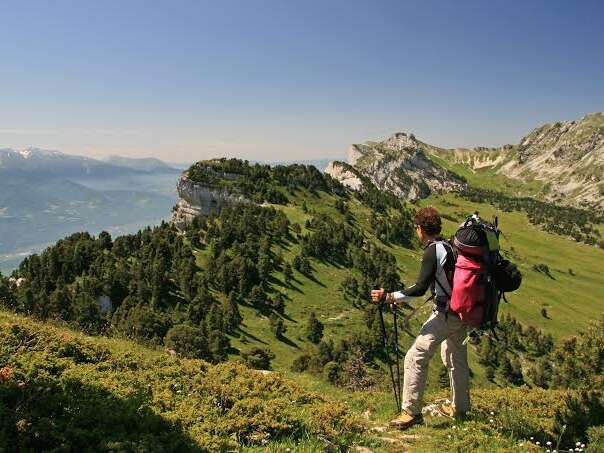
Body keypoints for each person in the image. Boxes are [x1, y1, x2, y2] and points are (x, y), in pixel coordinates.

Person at [371, 206, 470, 430]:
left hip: (447, 314)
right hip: (463, 311)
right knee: (456, 360)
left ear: (419, 228)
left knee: (415, 356)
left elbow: (419, 288)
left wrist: (389, 297)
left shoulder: (432, 250)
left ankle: (411, 412)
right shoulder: (449, 246)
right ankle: (461, 409)